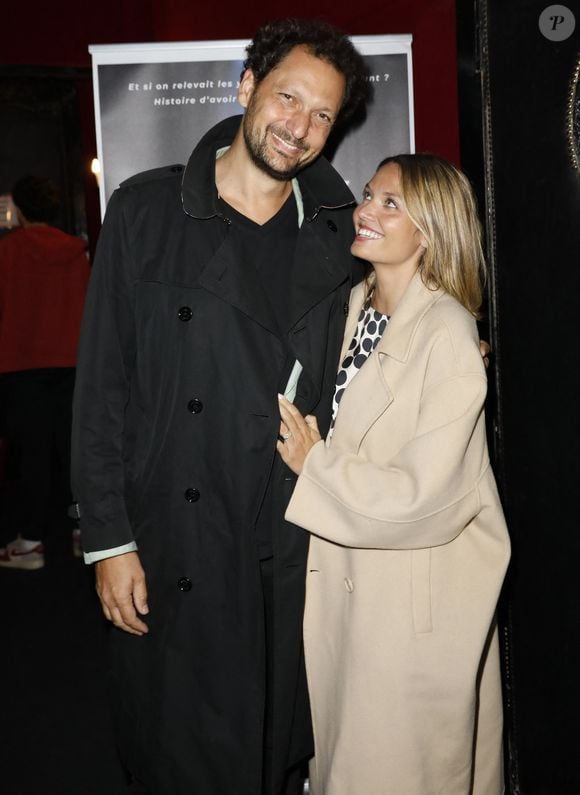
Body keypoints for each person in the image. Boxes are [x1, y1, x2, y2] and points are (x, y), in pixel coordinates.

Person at [71, 18, 369, 795]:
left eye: (322, 114)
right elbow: (101, 388)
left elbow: (390, 332)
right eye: (288, 97)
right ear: (247, 87)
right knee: (179, 754)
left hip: (285, 539)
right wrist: (108, 541)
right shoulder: (145, 213)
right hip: (174, 540)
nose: (299, 126)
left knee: (270, 753)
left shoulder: (340, 235)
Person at [278, 154, 511, 794]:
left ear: (429, 231)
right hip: (347, 591)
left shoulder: (449, 333)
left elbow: (422, 497)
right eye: (368, 195)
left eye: (390, 204)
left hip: (407, 608)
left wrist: (315, 464)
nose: (366, 211)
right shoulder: (352, 308)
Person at [0, 176, 89, 569]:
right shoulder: (76, 252)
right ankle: (86, 533)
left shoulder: (7, 251)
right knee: (77, 456)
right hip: (74, 366)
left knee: (30, 459)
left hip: (22, 368)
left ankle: (32, 543)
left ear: (19, 210)